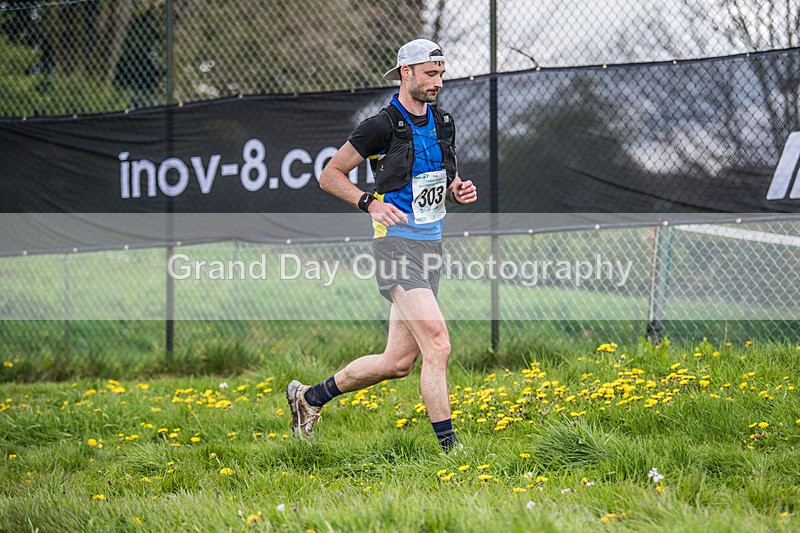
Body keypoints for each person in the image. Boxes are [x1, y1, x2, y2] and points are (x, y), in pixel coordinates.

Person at [286, 39, 477, 452]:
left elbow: (437, 185)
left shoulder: (444, 122)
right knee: (439, 344)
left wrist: (456, 191)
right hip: (394, 247)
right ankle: (451, 451)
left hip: (431, 246)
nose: (438, 82)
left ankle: (309, 397)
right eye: (430, 73)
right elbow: (330, 175)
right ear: (406, 72)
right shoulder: (381, 125)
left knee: (397, 363)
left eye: (441, 74)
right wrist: (369, 203)